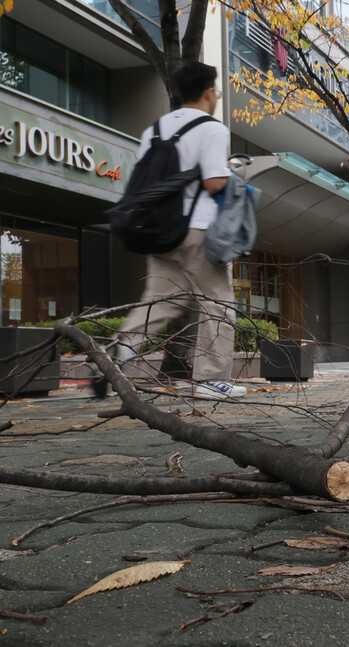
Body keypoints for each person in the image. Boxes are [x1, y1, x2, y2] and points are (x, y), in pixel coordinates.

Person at [113, 62, 246, 400]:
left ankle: (119, 352)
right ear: (208, 92)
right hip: (196, 229)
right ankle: (211, 379)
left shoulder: (154, 129)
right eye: (215, 91)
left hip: (160, 231)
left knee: (160, 300)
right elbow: (214, 182)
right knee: (218, 301)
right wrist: (231, 172)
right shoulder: (212, 129)